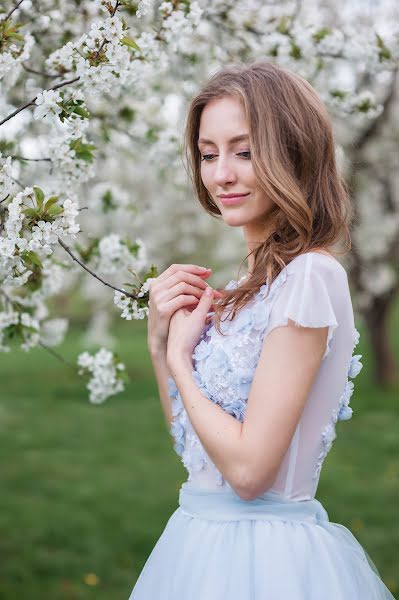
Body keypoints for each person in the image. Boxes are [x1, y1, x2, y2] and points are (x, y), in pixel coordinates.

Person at [128, 62, 396, 599]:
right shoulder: (249, 285)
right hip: (196, 540)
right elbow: (195, 447)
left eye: (244, 151)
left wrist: (183, 361)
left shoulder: (310, 278)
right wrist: (161, 345)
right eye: (208, 154)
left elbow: (250, 474)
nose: (221, 173)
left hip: (264, 558)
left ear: (292, 151)